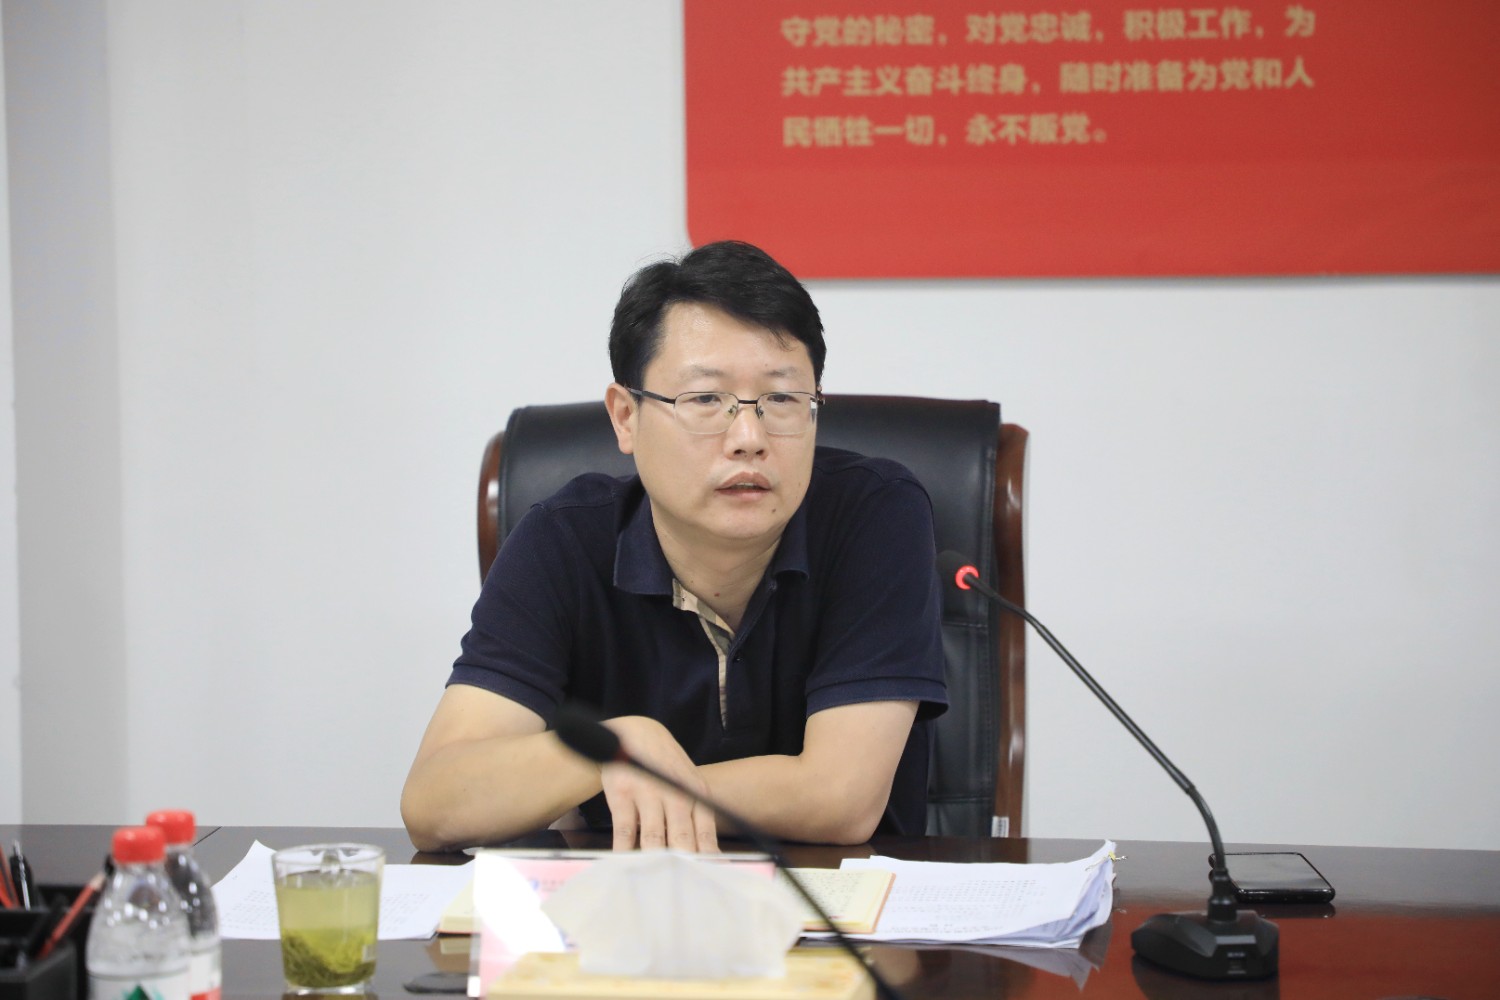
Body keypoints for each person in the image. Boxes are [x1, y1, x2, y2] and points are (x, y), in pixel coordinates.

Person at [401, 241, 947, 853]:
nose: (749, 437)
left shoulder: (874, 514)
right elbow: (435, 804)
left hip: (841, 904)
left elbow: (838, 799)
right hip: (626, 904)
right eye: (705, 400)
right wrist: (612, 749)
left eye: (783, 399)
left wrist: (635, 785)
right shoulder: (563, 541)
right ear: (625, 417)